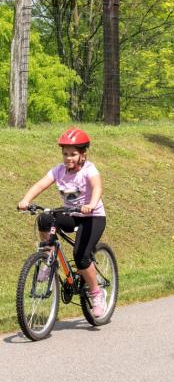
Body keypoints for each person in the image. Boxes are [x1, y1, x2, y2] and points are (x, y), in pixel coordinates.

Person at [18, 127, 107, 318]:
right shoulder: (59, 171)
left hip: (93, 216)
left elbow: (97, 186)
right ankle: (48, 259)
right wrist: (26, 200)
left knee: (81, 257)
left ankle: (97, 294)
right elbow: (41, 184)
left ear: (83, 154)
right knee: (45, 218)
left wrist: (91, 204)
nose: (68, 158)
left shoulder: (89, 170)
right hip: (71, 213)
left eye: (73, 154)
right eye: (65, 154)